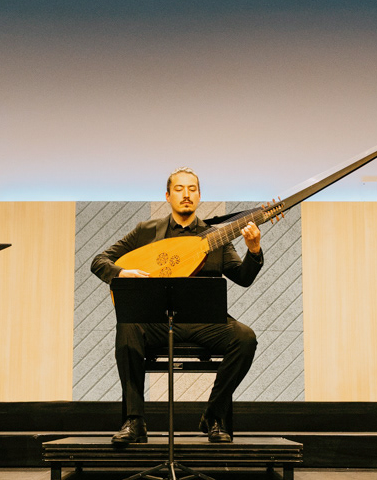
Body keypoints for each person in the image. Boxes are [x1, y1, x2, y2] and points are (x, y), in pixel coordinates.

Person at [91, 167, 261, 446]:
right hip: (157, 321)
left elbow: (242, 278)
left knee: (245, 338)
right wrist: (121, 273)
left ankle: (213, 416)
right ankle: (134, 421)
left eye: (192, 189)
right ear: (168, 196)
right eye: (179, 189)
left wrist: (253, 250)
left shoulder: (215, 237)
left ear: (199, 196)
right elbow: (99, 261)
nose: (186, 194)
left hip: (205, 321)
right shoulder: (146, 231)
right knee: (128, 324)